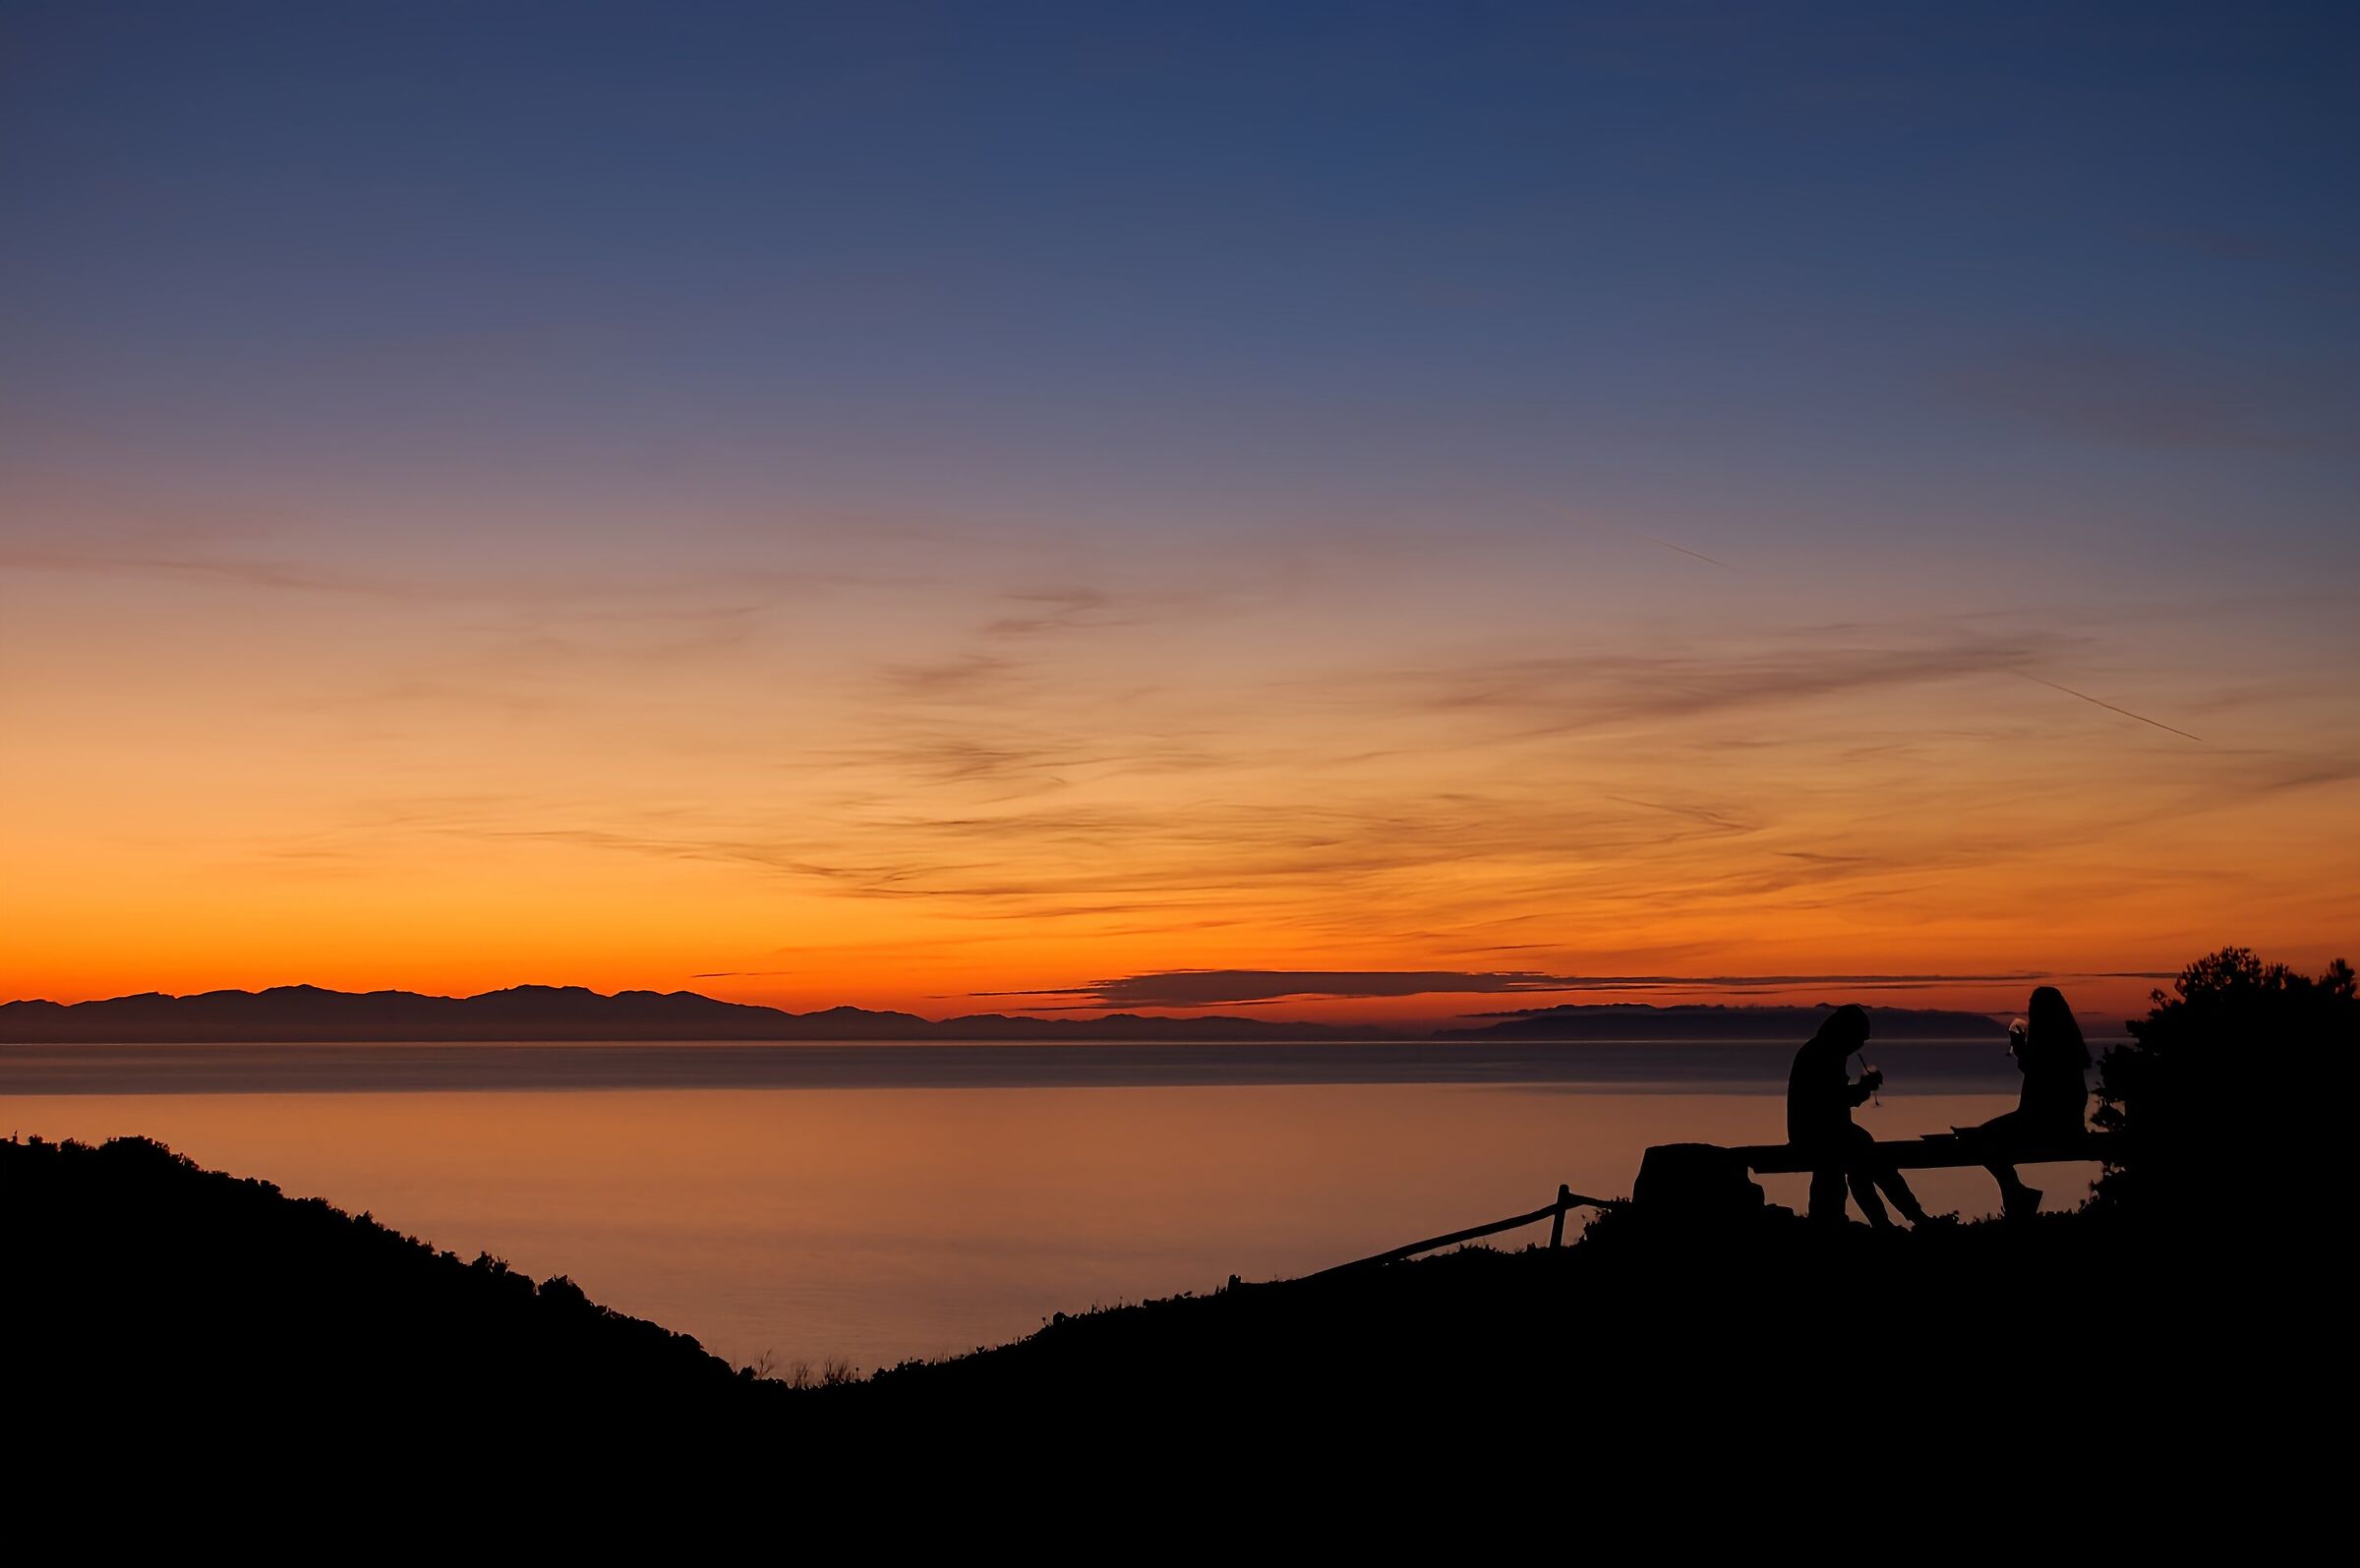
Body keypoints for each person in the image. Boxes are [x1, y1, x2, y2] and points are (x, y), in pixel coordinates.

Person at [1788, 1005, 1933, 1229]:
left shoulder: (1823, 1050)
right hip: (1818, 1135)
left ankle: (1891, 1221)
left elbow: (1833, 1098)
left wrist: (1860, 1090)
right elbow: (1832, 1099)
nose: (1860, 1045)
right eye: (1859, 1038)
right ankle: (1909, 1218)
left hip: (1818, 1133)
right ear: (1846, 1033)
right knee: (1870, 1161)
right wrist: (1863, 1089)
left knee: (1864, 1163)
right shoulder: (1824, 1054)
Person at [1962, 985, 2091, 1219]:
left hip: (2047, 1124)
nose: (2030, 1010)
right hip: (2060, 1122)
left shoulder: (2051, 1040)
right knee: (1980, 1137)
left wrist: (2021, 1051)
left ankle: (2016, 1193)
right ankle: (2016, 1192)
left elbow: (2042, 1075)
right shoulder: (2066, 1039)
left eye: (2033, 1005)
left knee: (1981, 1139)